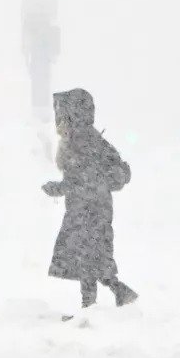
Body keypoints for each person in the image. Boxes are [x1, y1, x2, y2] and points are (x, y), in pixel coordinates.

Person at [43, 89, 139, 311]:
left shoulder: (82, 141)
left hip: (88, 208)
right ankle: (114, 294)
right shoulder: (84, 138)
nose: (57, 120)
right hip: (92, 207)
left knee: (85, 255)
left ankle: (93, 305)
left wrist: (57, 188)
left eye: (61, 114)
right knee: (91, 255)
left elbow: (80, 180)